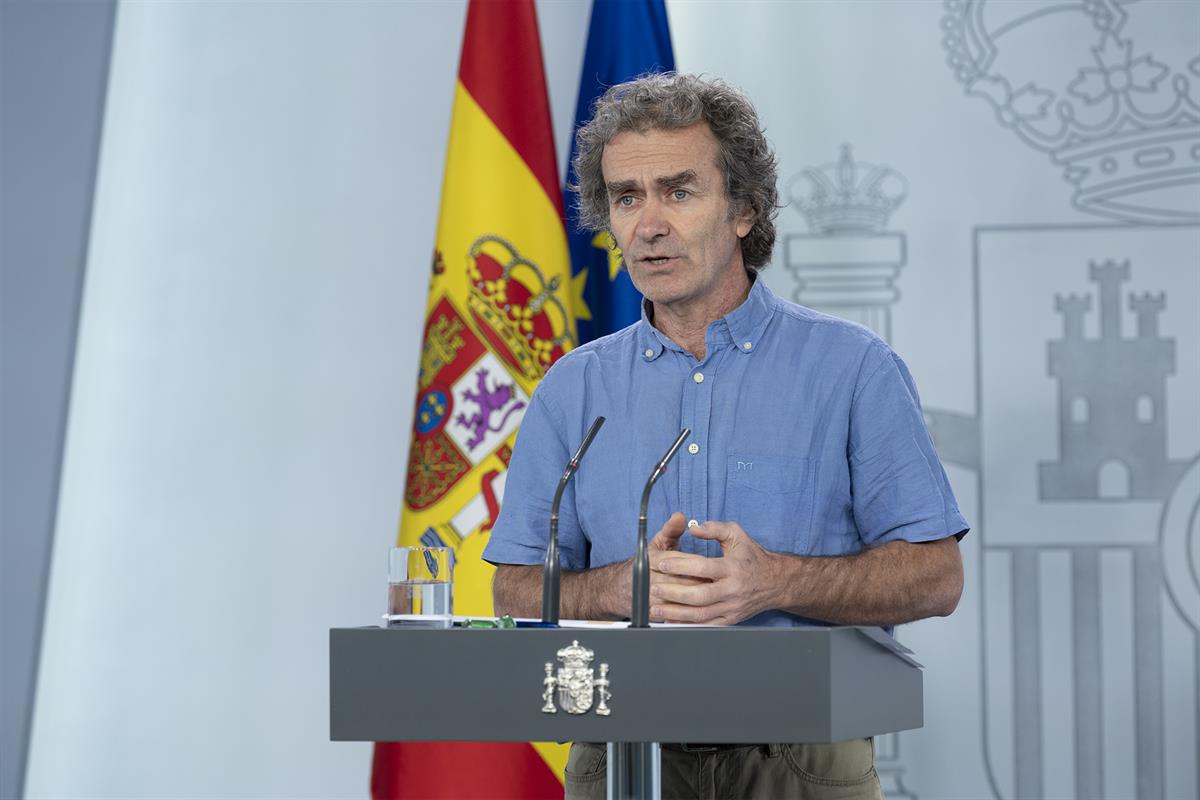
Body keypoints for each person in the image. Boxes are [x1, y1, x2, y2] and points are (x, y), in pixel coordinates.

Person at [482, 72, 967, 800]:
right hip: (621, 754)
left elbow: (936, 575)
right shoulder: (571, 389)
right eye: (626, 197)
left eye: (678, 192)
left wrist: (778, 581)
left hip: (801, 756)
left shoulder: (853, 368)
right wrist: (619, 588)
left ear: (743, 210)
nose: (648, 224)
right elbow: (513, 589)